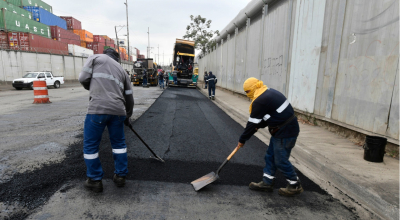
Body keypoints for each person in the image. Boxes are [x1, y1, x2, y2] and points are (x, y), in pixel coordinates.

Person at [78, 48, 134, 193]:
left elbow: (83, 78)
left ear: (105, 53)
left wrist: (91, 88)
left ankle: (95, 179)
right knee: (119, 144)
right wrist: (128, 115)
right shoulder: (122, 71)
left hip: (98, 109)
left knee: (90, 146)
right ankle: (120, 176)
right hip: (118, 111)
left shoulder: (96, 58)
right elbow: (129, 97)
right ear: (117, 58)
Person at [236, 77, 302, 197]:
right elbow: (271, 115)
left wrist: (242, 140)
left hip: (285, 131)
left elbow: (251, 124)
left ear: (252, 89)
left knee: (281, 160)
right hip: (282, 129)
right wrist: (259, 125)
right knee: (270, 156)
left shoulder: (260, 100)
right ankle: (267, 182)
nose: (247, 95)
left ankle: (295, 185)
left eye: (247, 92)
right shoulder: (267, 92)